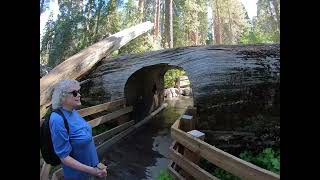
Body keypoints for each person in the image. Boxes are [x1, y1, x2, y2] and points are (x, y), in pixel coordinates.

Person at [50, 80, 107, 180]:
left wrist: (96, 166)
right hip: (78, 176)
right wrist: (93, 171)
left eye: (79, 91)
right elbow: (64, 157)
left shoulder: (73, 111)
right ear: (62, 96)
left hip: (93, 168)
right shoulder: (57, 119)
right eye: (75, 93)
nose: (79, 95)